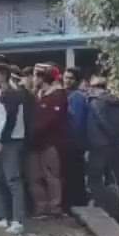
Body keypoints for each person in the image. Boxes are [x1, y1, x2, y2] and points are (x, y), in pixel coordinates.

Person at [0, 64, 28, 234]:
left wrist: (2, 141)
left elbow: (11, 120)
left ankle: (18, 220)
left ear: (2, 75)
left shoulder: (12, 95)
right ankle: (0, 216)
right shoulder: (0, 94)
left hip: (10, 142)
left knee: (13, 180)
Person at [86, 75, 119, 226]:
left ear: (95, 87)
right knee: (113, 179)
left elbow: (101, 121)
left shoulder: (95, 102)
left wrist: (110, 135)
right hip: (114, 146)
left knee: (95, 178)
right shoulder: (117, 102)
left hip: (98, 144)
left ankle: (102, 208)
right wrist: (118, 139)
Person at [26, 63, 68, 218]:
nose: (33, 79)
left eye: (35, 76)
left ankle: (55, 207)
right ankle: (41, 206)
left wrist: (33, 130)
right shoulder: (37, 95)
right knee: (34, 176)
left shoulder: (57, 95)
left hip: (50, 142)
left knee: (51, 176)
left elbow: (51, 119)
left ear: (42, 78)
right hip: (34, 143)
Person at [63, 66, 89, 209]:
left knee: (74, 174)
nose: (67, 81)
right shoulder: (65, 95)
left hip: (74, 143)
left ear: (77, 81)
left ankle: (77, 203)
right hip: (67, 141)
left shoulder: (78, 97)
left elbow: (77, 123)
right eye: (66, 77)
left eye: (71, 78)